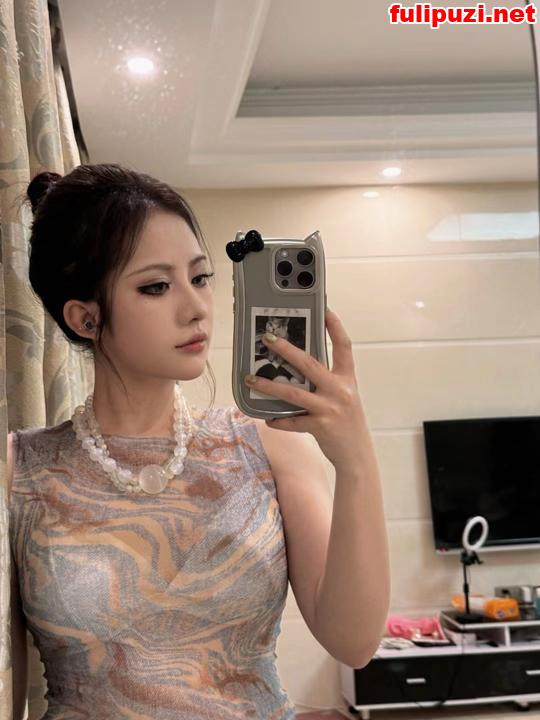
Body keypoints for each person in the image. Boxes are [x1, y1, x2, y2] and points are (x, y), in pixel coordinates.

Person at [7, 163, 390, 720]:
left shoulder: (267, 445)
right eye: (156, 287)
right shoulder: (22, 469)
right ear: (86, 318)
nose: (196, 308)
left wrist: (355, 459)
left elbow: (354, 642)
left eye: (201, 277)